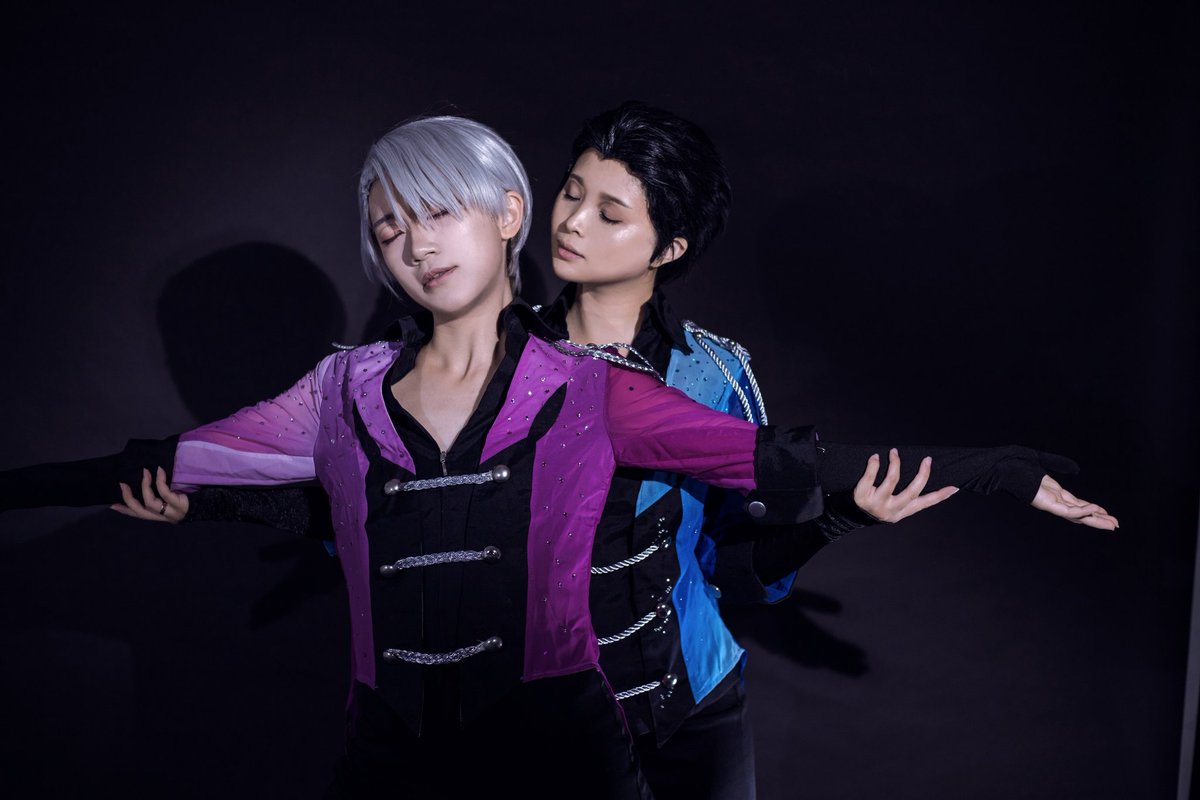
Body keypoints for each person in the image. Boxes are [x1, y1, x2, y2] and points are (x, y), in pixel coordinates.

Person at [1, 113, 1116, 799]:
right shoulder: (459, 360)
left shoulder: (693, 377)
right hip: (512, 721)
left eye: (610, 211)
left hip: (678, 702)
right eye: (572, 194)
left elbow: (753, 543)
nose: (574, 223)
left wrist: (890, 502)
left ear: (669, 244)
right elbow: (379, 506)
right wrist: (209, 500)